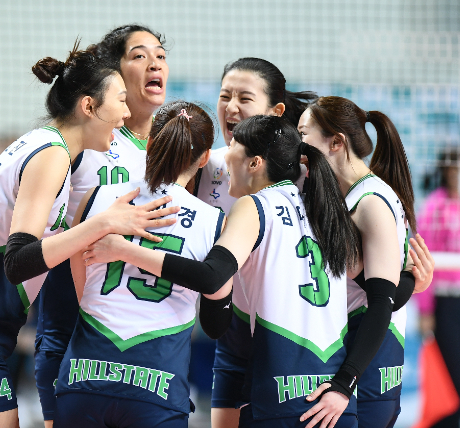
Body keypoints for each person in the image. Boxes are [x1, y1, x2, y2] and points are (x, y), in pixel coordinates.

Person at [0, 43, 178, 427]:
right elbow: (18, 261)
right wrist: (104, 223)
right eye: (120, 101)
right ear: (89, 107)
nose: (127, 113)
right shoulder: (52, 155)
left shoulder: (41, 142)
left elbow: (1, 208)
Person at [83, 115, 361, 427]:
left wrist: (124, 250)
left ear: (254, 163)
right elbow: (380, 296)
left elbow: (213, 277)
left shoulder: (256, 205)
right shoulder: (325, 208)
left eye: (231, 147)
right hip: (335, 401)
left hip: (282, 399)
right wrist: (346, 382)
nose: (223, 157)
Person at [53, 101, 227, 428]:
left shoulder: (96, 197)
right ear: (204, 158)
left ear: (148, 144)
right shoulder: (215, 222)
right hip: (158, 385)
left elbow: (82, 285)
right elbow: (216, 318)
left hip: (85, 375)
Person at [34, 24, 168, 427]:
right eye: (139, 55)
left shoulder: (177, 150)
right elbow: (17, 190)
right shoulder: (83, 139)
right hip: (72, 326)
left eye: (160, 55)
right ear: (115, 72)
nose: (154, 63)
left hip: (144, 346)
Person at [193, 57, 317, 428]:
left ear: (275, 111)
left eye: (244, 98)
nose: (230, 107)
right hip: (227, 334)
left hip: (289, 340)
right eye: (224, 95)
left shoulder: (305, 179)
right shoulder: (205, 166)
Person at [298, 96, 434, 428]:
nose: (298, 146)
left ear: (335, 142)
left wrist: (345, 384)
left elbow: (380, 304)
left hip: (368, 358)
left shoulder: (371, 200)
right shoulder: (354, 194)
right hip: (358, 351)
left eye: (303, 134)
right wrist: (412, 281)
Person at [416, 148, 460, 428]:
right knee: (449, 389)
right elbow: (424, 260)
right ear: (451, 170)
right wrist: (426, 312)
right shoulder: (436, 206)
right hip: (443, 304)